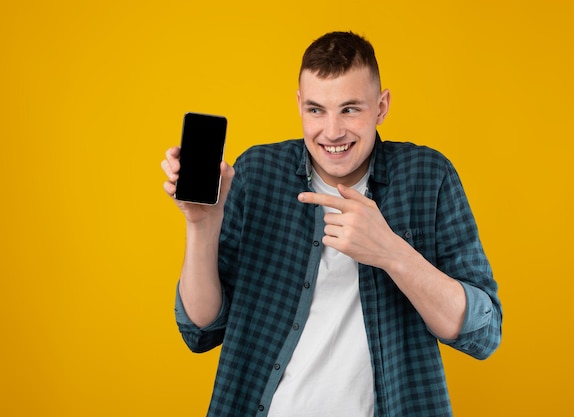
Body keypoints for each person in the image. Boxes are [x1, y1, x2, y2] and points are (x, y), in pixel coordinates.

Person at [162, 31, 502, 417]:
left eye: (350, 109)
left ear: (381, 106)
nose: (333, 131)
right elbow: (201, 329)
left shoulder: (428, 176)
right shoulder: (257, 173)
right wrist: (202, 225)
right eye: (316, 110)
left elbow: (483, 334)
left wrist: (392, 253)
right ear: (299, 105)